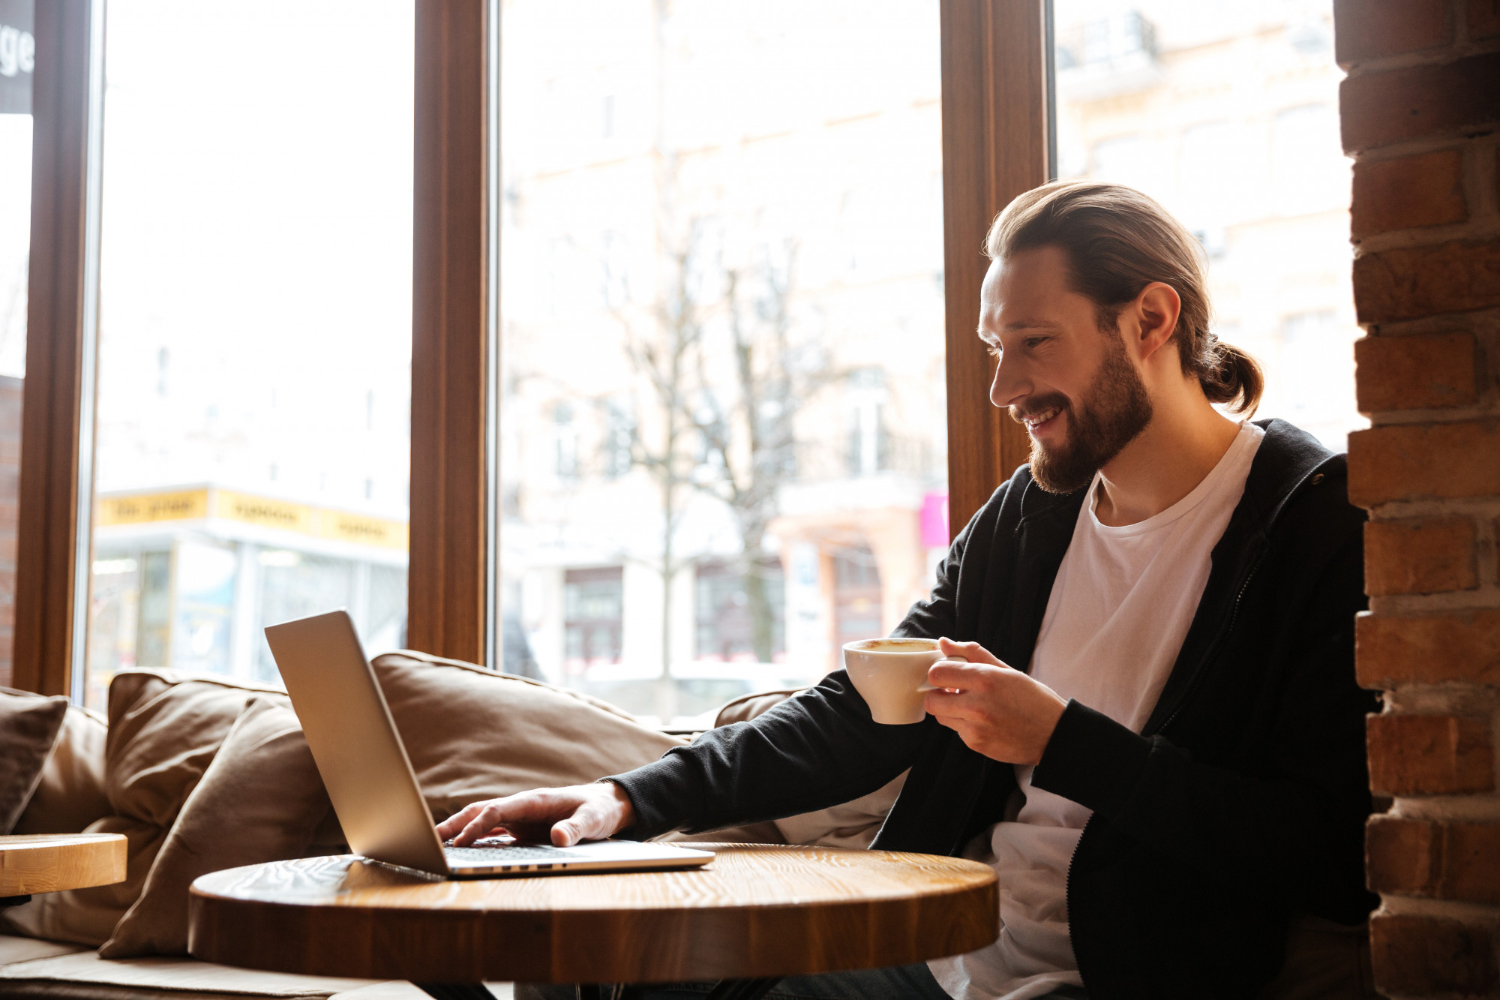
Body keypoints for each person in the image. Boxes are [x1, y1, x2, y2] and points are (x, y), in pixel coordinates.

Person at [438, 181, 1378, 1000]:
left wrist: (1062, 743)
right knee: (607, 965)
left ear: (1151, 320)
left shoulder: (1312, 526)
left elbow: (1330, 849)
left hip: (1113, 980)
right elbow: (858, 712)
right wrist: (620, 798)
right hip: (943, 958)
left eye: (1034, 342)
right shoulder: (1031, 516)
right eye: (991, 348)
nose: (1003, 387)